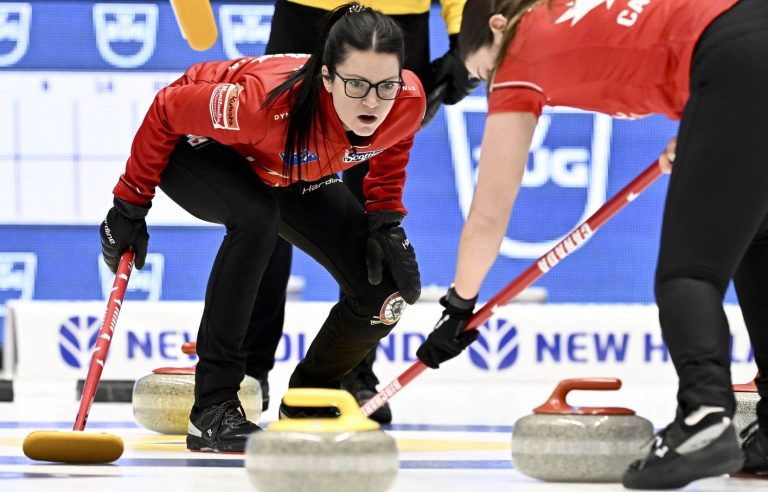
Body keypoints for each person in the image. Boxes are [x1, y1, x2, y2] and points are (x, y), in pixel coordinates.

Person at [414, 0, 768, 488]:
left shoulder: (516, 60)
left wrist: (459, 305)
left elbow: (489, 214)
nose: (491, 86)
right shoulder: (564, 9)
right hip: (744, 41)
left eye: (483, 73)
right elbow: (666, 34)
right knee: (759, 238)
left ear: (498, 27)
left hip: (736, 58)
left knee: (689, 274)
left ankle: (704, 419)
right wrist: (704, 122)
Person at [100, 3, 423, 453]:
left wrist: (385, 214)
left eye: (385, 85)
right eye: (356, 85)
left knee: (383, 293)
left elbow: (394, 139)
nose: (372, 102)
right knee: (256, 221)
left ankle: (311, 396)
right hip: (201, 148)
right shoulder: (256, 105)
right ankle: (211, 410)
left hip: (284, 165)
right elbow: (167, 110)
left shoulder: (405, 101)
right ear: (326, 78)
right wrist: (129, 205)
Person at [245, 0, 478, 424]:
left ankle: (351, 372)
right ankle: (247, 369)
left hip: (400, 19)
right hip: (306, 11)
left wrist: (465, 32)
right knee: (270, 184)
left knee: (377, 210)